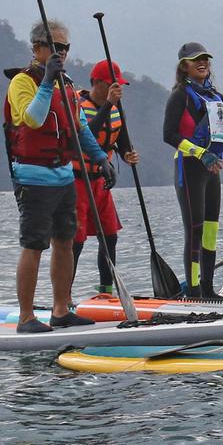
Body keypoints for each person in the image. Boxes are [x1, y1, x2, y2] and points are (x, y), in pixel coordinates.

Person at [3, 19, 114, 333]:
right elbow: (34, 120)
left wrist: (101, 159)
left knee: (65, 242)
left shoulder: (67, 86)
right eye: (55, 46)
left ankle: (61, 309)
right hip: (33, 177)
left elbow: (79, 129)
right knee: (34, 245)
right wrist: (47, 81)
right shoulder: (22, 83)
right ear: (37, 48)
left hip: (64, 175)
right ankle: (26, 316)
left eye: (65, 47)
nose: (61, 52)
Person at [162, 42, 223, 298]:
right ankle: (194, 292)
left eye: (206, 59)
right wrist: (201, 153)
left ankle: (208, 289)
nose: (203, 63)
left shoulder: (214, 96)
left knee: (211, 229)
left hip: (212, 170)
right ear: (184, 66)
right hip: (189, 167)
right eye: (196, 59)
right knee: (195, 229)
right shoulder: (180, 95)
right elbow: (169, 134)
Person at [71, 59, 140, 294]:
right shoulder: (79, 105)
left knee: (109, 236)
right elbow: (85, 135)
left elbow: (120, 141)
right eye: (113, 84)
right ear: (99, 84)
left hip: (101, 182)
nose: (118, 89)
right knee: (76, 241)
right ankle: (65, 295)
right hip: (77, 180)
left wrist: (127, 154)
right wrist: (108, 104)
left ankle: (106, 291)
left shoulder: (117, 109)